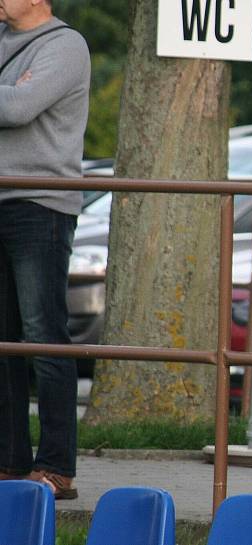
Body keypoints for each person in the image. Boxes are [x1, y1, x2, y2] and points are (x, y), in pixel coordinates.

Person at [0, 0, 90, 499]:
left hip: (40, 204)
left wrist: (15, 93)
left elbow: (17, 108)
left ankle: (56, 467)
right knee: (4, 340)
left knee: (43, 337)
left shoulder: (65, 45)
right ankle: (8, 462)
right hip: (2, 196)